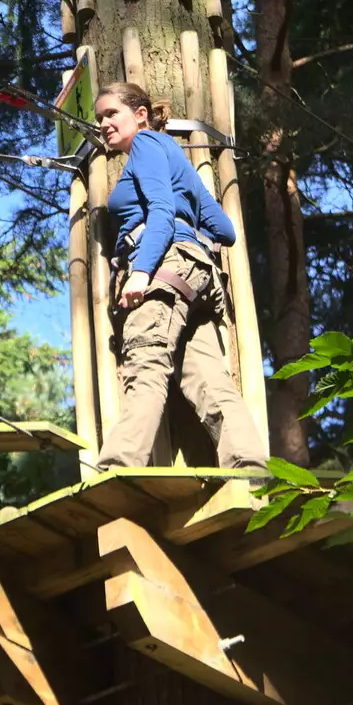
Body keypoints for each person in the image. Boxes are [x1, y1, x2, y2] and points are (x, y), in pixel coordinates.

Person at [93, 81, 267, 471]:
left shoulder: (147, 145)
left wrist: (140, 271)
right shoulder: (176, 159)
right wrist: (192, 238)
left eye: (111, 114)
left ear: (140, 115)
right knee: (208, 378)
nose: (104, 123)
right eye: (99, 117)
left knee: (146, 362)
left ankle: (118, 466)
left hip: (162, 266)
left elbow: (159, 211)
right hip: (196, 276)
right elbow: (224, 230)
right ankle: (250, 466)